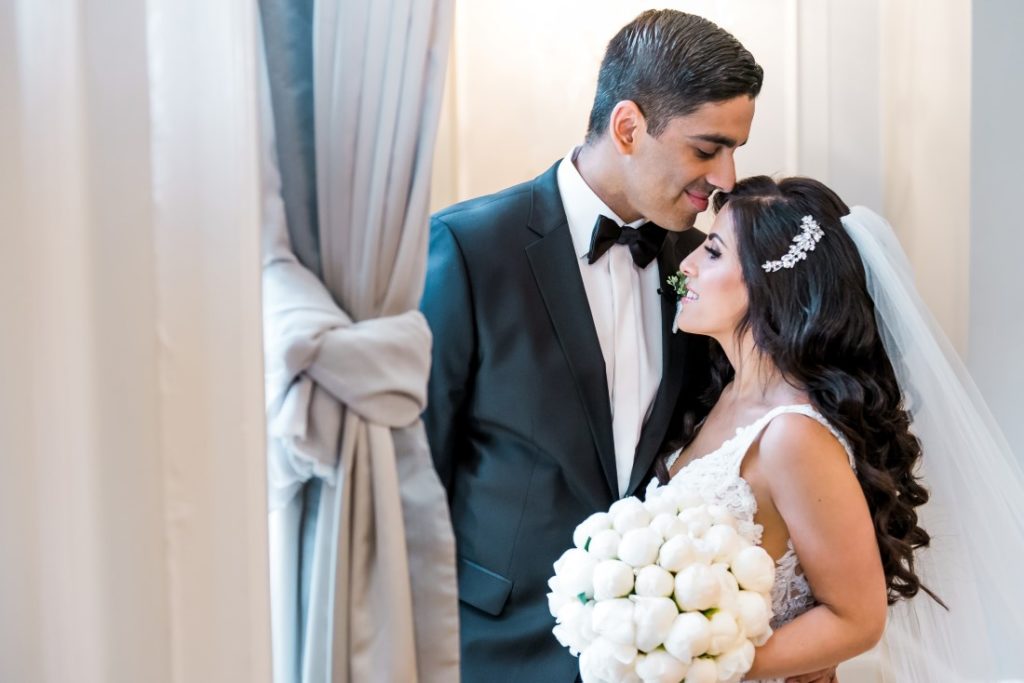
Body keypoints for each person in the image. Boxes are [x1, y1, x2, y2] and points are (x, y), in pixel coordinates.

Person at [420, 10, 763, 682]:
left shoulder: (702, 267)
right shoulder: (467, 249)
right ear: (628, 127)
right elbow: (413, 474)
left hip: (654, 656)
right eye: (706, 148)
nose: (725, 176)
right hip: (490, 651)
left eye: (733, 149)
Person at [661, 175, 1024, 682]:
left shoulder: (793, 435)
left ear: (773, 287)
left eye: (714, 252)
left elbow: (857, 619)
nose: (687, 265)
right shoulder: (720, 391)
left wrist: (692, 662)